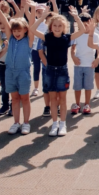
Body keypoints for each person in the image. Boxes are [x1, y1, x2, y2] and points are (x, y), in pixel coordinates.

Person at [31, 7, 85, 137]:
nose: (57, 27)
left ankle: (63, 124)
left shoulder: (67, 38)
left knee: (62, 99)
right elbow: (32, 29)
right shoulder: (47, 37)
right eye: (54, 25)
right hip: (50, 70)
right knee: (53, 99)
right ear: (51, 27)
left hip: (62, 71)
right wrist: (43, 17)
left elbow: (82, 30)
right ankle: (54, 123)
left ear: (64, 27)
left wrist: (76, 17)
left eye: (60, 25)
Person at [0, 5, 36, 135]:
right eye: (14, 31)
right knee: (14, 98)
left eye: (19, 30)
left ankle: (26, 123)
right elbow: (6, 24)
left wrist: (33, 9)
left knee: (25, 98)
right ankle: (16, 122)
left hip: (23, 72)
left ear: (25, 30)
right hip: (10, 72)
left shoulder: (29, 40)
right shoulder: (11, 39)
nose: (16, 33)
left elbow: (32, 24)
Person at [70, 13, 99, 115]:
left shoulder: (95, 35)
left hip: (90, 65)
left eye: (86, 24)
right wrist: (73, 57)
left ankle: (87, 104)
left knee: (88, 86)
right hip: (78, 65)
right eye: (81, 25)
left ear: (90, 22)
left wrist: (97, 59)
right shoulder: (77, 35)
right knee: (77, 86)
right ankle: (77, 104)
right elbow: (72, 49)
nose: (84, 27)